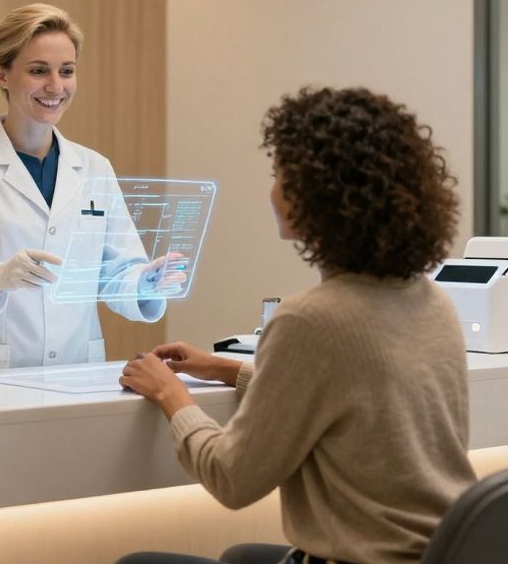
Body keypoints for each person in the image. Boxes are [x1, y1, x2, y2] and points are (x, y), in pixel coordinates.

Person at [118, 86, 476, 564]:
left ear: (318, 196)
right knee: (243, 555)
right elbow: (348, 396)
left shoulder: (312, 319)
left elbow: (232, 478)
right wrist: (227, 370)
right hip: (432, 554)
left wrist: (170, 395)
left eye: (280, 174)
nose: (272, 190)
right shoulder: (432, 301)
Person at [0, 3, 183, 372]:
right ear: (1, 74)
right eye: (38, 71)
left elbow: (116, 272)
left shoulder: (95, 167)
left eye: (67, 71)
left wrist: (144, 282)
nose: (55, 86)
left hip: (77, 371)